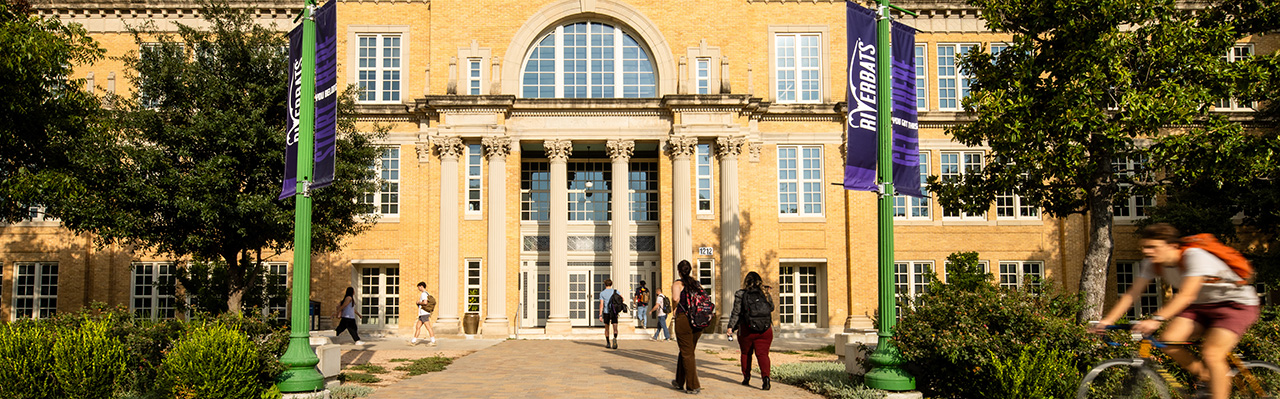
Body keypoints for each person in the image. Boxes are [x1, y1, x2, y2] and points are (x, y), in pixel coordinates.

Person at [1092, 223, 1260, 399]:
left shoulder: (1194, 257)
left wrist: (1156, 319)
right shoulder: (1151, 263)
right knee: (1168, 341)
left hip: (1235, 305)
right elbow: (1132, 294)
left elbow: (1186, 295)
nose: (1147, 251)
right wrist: (1107, 321)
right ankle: (1208, 377)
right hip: (1201, 306)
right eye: (1144, 247)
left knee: (1212, 353)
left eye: (1153, 247)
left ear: (1172, 246)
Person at [727, 271, 774, 390]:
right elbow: (771, 308)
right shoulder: (765, 293)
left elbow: (736, 312)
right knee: (763, 354)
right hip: (765, 330)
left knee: (746, 353)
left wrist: (730, 327)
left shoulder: (741, 294)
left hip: (747, 330)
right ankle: (766, 379)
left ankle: (746, 377)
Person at [671, 260, 705, 394]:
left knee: (687, 353)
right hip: (698, 320)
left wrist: (674, 310)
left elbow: (675, 299)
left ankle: (693, 385)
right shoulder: (696, 284)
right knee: (686, 351)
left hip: (684, 319)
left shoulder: (678, 284)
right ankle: (679, 381)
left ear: (679, 271)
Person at [598, 278, 620, 349]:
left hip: (606, 311)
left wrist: (600, 315)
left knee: (607, 328)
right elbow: (622, 299)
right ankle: (615, 338)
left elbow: (601, 305)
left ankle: (608, 342)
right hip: (614, 311)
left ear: (605, 285)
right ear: (611, 284)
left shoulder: (602, 293)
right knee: (615, 327)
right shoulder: (616, 292)